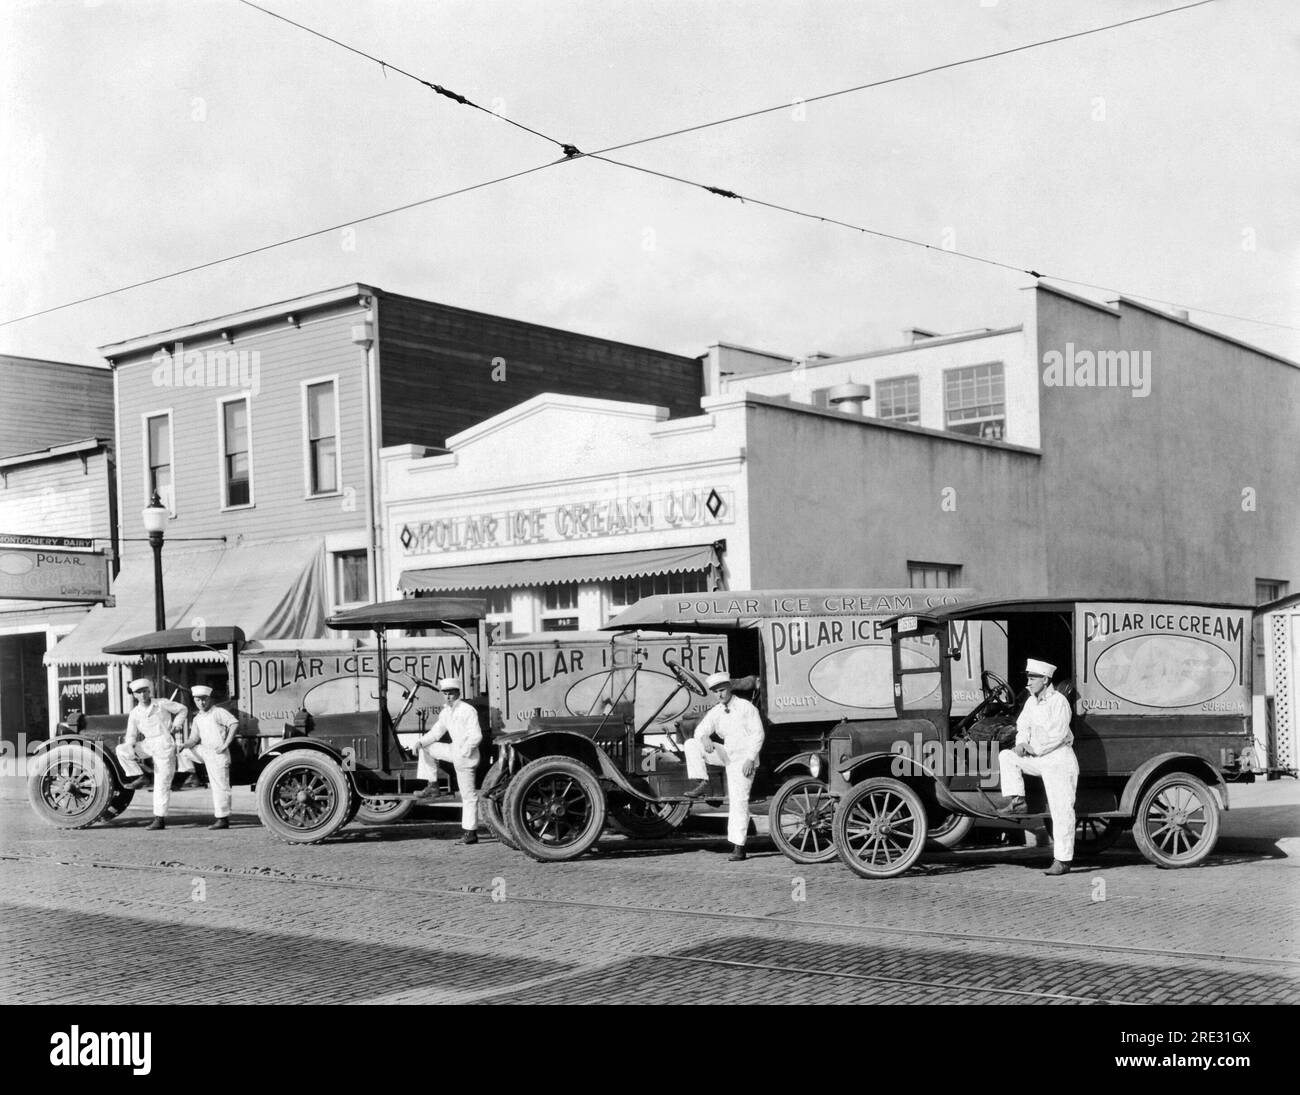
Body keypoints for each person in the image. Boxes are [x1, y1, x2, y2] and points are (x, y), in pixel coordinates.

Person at [998, 658, 1079, 876]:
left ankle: (1063, 860)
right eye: (1028, 677)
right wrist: (1021, 744)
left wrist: (1032, 748)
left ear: (1045, 679)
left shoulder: (1059, 702)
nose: (1029, 681)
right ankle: (1018, 800)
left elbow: (1058, 735)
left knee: (1061, 811)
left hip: (1059, 760)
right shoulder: (1031, 702)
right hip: (1040, 759)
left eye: (1033, 678)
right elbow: (1022, 725)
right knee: (1007, 756)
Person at [683, 672, 765, 861]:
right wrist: (704, 738)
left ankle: (739, 847)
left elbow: (758, 734)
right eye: (716, 692)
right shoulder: (717, 711)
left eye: (722, 690)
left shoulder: (746, 707)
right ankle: (702, 782)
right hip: (727, 755)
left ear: (729, 688)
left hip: (743, 760)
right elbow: (700, 730)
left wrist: (750, 759)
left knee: (738, 801)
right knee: (691, 744)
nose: (719, 695)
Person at [412, 678, 482, 844]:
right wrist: (419, 742)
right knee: (427, 747)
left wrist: (464, 752)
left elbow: (476, 736)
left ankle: (470, 833)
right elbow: (436, 733)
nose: (448, 696)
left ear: (458, 693)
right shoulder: (445, 712)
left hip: (466, 756)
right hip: (453, 750)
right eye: (445, 693)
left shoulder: (468, 710)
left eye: (451, 693)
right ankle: (433, 785)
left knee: (468, 796)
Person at [115, 678, 188, 831]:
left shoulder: (161, 703)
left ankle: (159, 819)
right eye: (139, 693)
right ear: (134, 695)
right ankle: (140, 776)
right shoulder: (135, 713)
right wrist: (130, 746)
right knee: (121, 749)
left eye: (145, 691)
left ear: (149, 691)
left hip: (164, 743)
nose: (143, 695)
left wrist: (177, 724)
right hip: (148, 744)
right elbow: (131, 734)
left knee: (161, 782)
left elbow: (182, 709)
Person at [178, 685, 239, 830]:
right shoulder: (198, 718)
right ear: (194, 701)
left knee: (220, 787)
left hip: (218, 754)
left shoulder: (218, 712)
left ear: (209, 699)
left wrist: (225, 744)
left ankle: (223, 819)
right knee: (182, 751)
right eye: (198, 700)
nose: (201, 703)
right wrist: (184, 745)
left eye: (204, 699)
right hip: (205, 752)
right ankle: (192, 775)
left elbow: (234, 723)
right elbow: (193, 739)